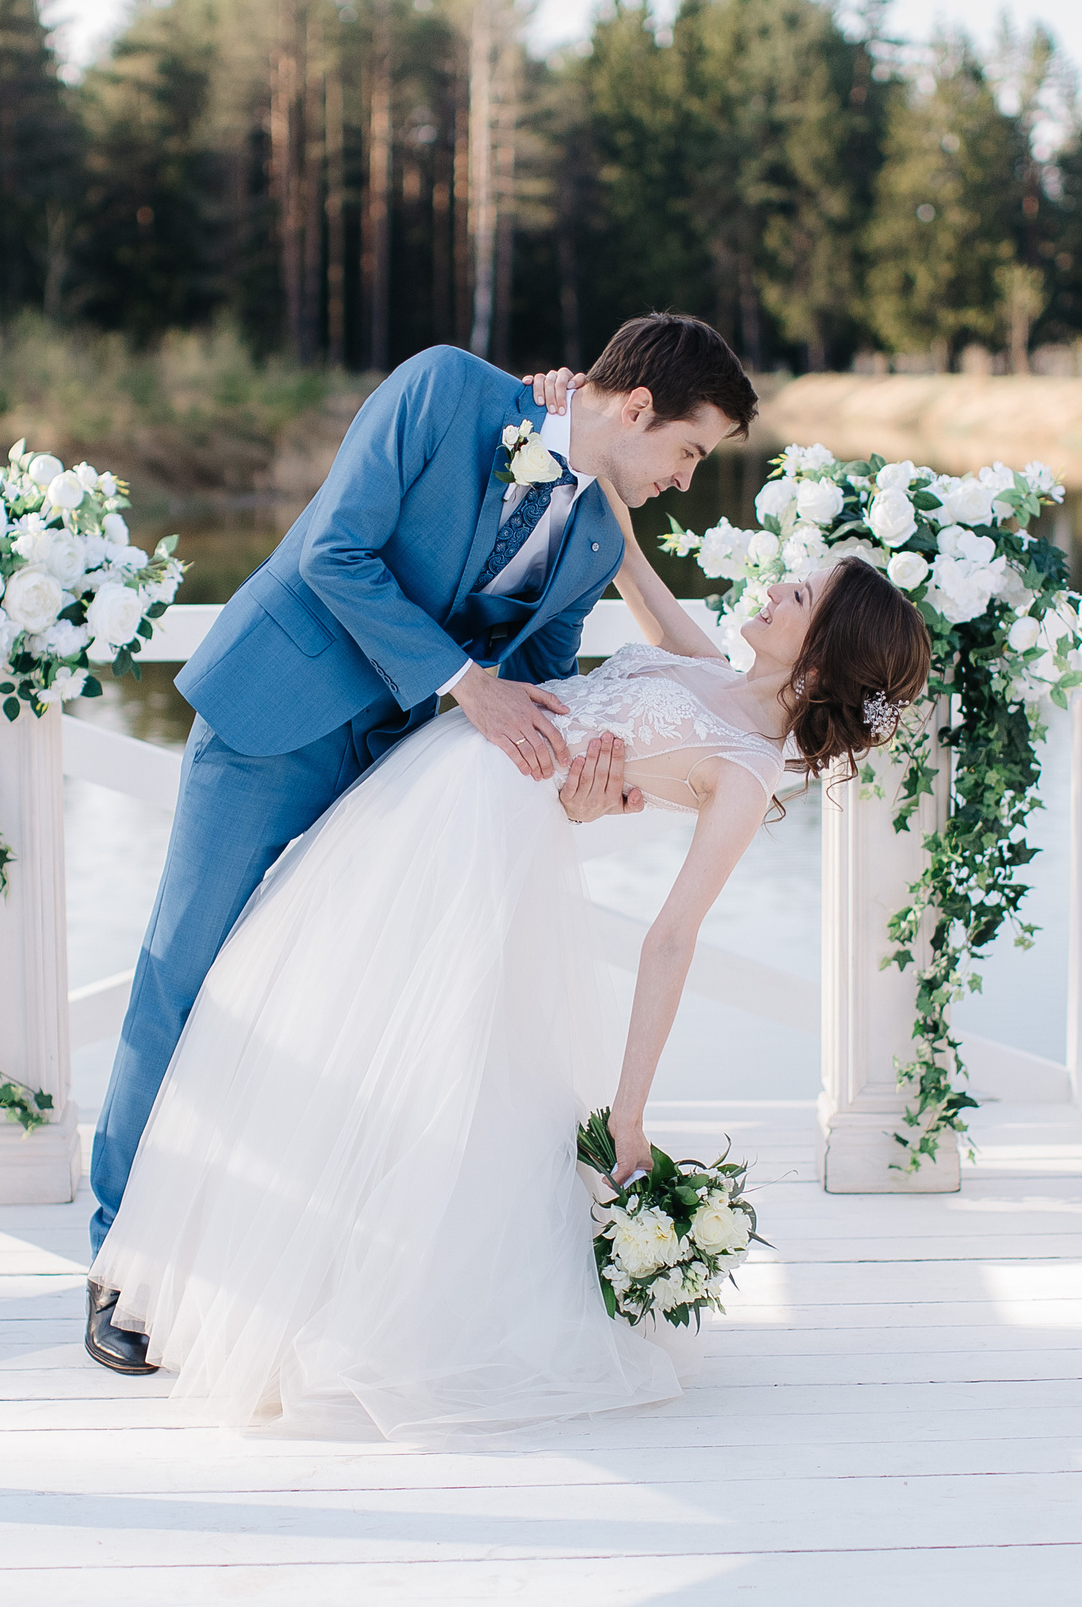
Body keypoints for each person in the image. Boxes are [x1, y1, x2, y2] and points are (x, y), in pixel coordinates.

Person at [88, 361, 933, 1434]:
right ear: (634, 405)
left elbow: (566, 706)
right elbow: (372, 550)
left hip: (453, 805)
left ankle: (281, 1276)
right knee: (195, 976)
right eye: (687, 448)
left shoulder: (730, 734)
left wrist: (595, 804)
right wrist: (549, 409)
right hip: (329, 726)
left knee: (363, 1040)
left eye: (800, 596)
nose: (687, 480)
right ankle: (125, 1259)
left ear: (822, 658)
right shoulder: (467, 407)